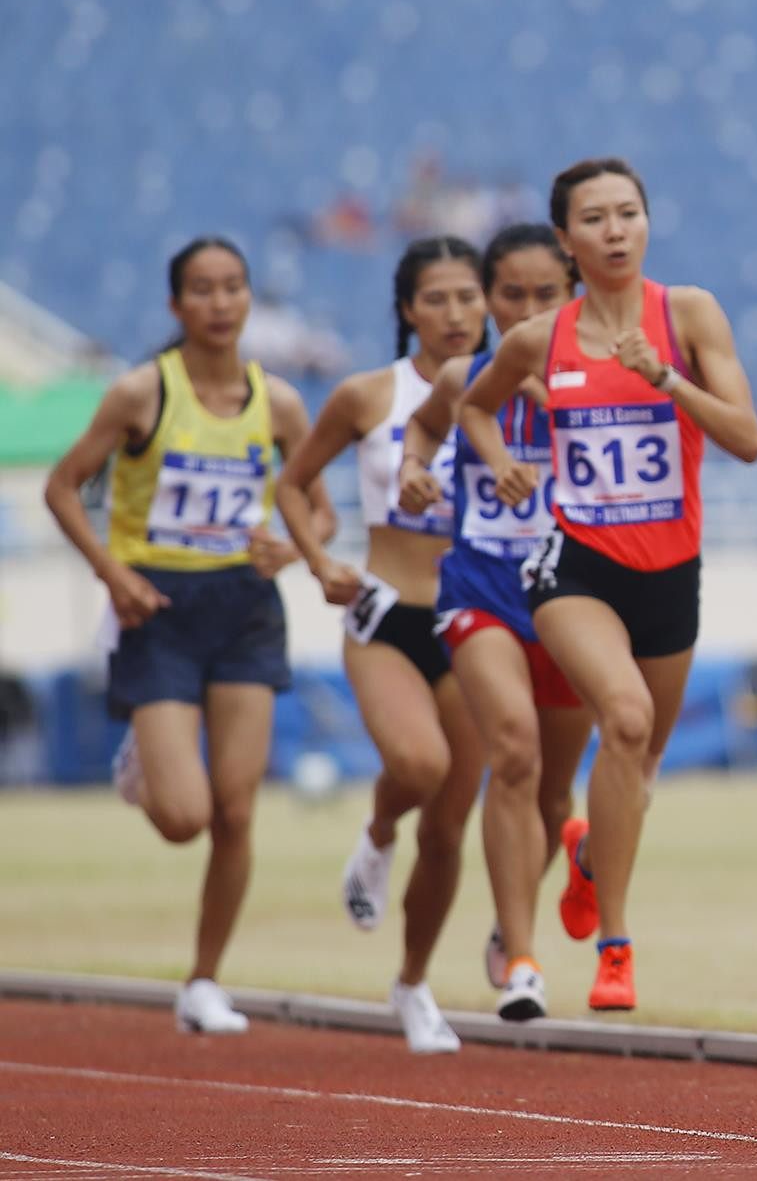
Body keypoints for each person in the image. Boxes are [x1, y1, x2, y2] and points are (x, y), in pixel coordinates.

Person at [457, 157, 757, 1012]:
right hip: (575, 566)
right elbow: (474, 407)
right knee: (621, 718)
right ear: (565, 239)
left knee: (642, 759)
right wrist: (503, 465)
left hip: (670, 571)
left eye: (629, 212)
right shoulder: (539, 340)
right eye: (594, 218)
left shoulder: (689, 314)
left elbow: (746, 437)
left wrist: (665, 378)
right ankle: (617, 948)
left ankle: (590, 862)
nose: (615, 230)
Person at [43, 236, 334, 1034]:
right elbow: (62, 487)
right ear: (176, 305)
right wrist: (111, 570)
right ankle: (144, 758)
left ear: (249, 301)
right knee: (185, 819)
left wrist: (291, 543)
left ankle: (204, 981)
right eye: (201, 290)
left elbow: (318, 503)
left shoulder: (278, 403)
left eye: (233, 287)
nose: (219, 302)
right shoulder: (142, 393)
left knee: (238, 813)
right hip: (159, 610)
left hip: (244, 607)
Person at [273, 236, 486, 1053]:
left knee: (449, 830)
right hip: (388, 615)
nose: (456, 314)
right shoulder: (368, 395)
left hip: (477, 620)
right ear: (407, 310)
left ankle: (413, 985)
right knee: (421, 767)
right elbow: (294, 483)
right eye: (436, 298)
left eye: (469, 296)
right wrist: (320, 559)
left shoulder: (512, 390)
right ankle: (374, 836)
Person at [394, 224, 590, 1022]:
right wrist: (413, 468)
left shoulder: (597, 381)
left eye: (549, 294)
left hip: (575, 596)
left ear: (572, 295)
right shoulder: (464, 376)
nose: (530, 309)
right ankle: (524, 962)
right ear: (491, 299)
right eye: (512, 294)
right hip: (479, 588)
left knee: (552, 795)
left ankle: (542, 886)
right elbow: (427, 429)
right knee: (511, 752)